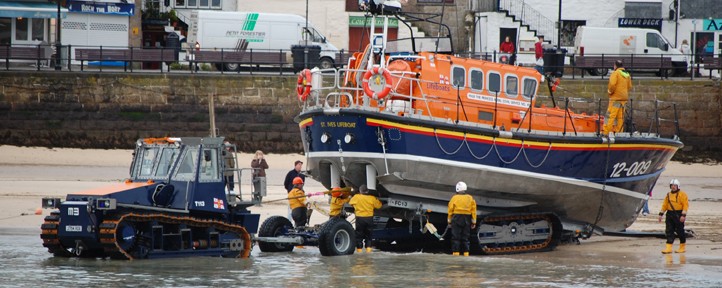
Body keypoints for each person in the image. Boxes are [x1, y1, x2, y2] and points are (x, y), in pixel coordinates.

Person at [659, 178, 689, 254]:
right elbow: (665, 205)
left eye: (675, 185)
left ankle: (682, 246)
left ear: (678, 186)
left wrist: (683, 215)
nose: (673, 187)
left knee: (680, 231)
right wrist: (661, 214)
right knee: (669, 230)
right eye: (672, 185)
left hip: (678, 214)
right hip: (669, 214)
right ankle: (668, 247)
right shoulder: (668, 195)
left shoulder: (682, 194)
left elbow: (685, 205)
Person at [602, 60, 632, 136]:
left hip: (615, 98)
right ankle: (619, 133)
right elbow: (629, 87)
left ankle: (605, 132)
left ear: (615, 66)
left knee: (610, 116)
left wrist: (609, 92)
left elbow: (612, 84)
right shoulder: (627, 75)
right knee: (620, 118)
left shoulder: (615, 73)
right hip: (623, 99)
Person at [349, 184, 382, 253]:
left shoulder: (356, 197)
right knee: (369, 236)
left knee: (359, 236)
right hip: (369, 219)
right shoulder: (372, 198)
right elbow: (379, 206)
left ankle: (359, 251)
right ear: (367, 191)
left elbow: (350, 203)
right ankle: (368, 251)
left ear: (360, 191)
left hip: (359, 219)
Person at [447, 181, 477, 256]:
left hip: (456, 218)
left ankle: (456, 254)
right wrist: (473, 222)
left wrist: (449, 221)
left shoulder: (454, 198)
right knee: (465, 238)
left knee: (456, 238)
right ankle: (466, 254)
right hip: (467, 218)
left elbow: (450, 210)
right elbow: (473, 211)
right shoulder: (470, 198)